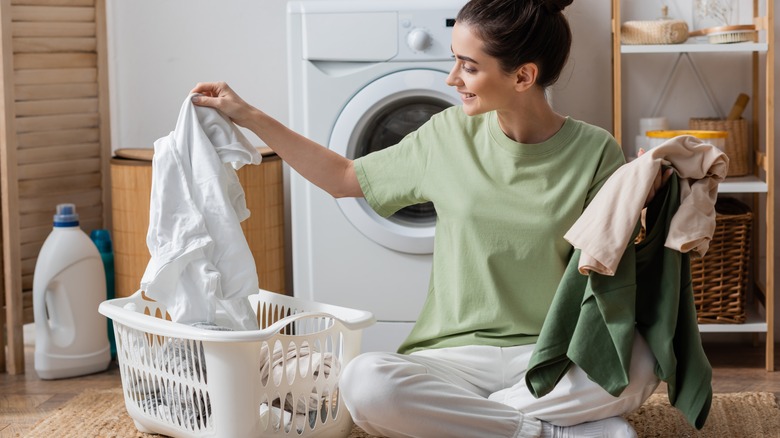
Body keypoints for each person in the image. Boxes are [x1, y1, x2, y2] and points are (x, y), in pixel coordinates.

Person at [191, 0, 671, 436]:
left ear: (523, 76)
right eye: (454, 60)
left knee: (643, 360)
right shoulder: (447, 134)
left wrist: (644, 200)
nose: (451, 79)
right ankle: (547, 430)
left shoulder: (595, 150)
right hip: (453, 358)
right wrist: (249, 115)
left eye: (468, 66)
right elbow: (342, 177)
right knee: (366, 383)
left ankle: (480, 419)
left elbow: (608, 261)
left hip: (551, 352)